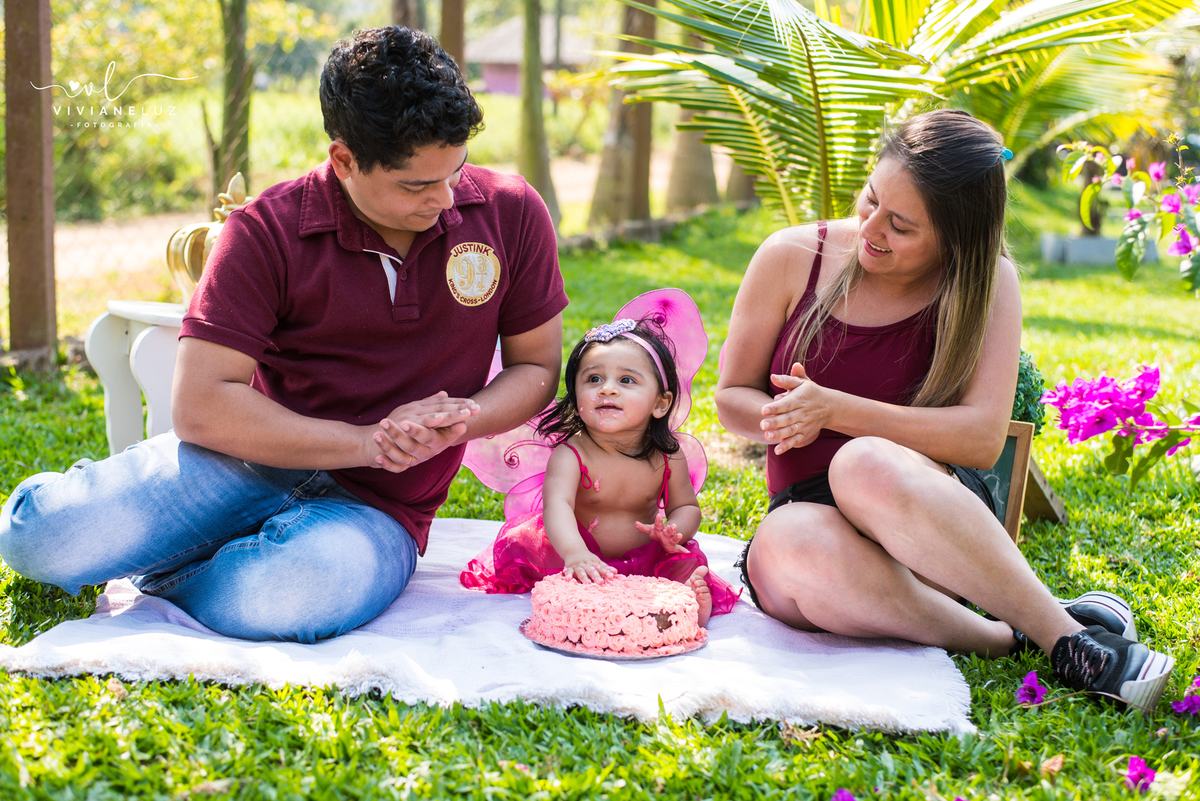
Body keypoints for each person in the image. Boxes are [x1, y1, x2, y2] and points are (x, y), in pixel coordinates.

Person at [0, 27, 567, 643]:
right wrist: (367, 441)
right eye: (414, 185)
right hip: (243, 464)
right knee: (39, 541)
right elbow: (201, 406)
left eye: (453, 172)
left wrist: (463, 417)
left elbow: (536, 368)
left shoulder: (511, 212)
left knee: (285, 596)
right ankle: (155, 529)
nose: (445, 198)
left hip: (377, 512)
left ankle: (165, 569)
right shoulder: (266, 230)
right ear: (344, 159)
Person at [714, 109, 1174, 709]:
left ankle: (1071, 642)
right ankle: (1014, 636)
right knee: (787, 544)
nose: (872, 229)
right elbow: (731, 396)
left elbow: (982, 440)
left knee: (863, 464)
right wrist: (786, 416)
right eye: (871, 200)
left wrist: (834, 412)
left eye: (901, 226)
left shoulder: (988, 284)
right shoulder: (792, 256)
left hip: (926, 517)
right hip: (816, 529)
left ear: (954, 239)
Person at [461, 292, 738, 626]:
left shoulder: (667, 455)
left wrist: (675, 531)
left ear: (661, 404)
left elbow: (687, 507)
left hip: (647, 556)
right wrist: (574, 552)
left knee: (685, 566)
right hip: (573, 549)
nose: (607, 389)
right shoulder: (572, 453)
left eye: (626, 380)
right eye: (593, 379)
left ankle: (688, 605)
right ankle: (589, 586)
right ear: (576, 394)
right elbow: (557, 507)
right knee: (573, 594)